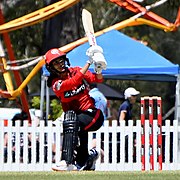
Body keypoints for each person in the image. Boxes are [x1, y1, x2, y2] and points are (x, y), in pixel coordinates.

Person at [44, 45, 107, 171]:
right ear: (51, 67)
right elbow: (72, 82)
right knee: (72, 120)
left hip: (93, 115)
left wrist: (98, 68)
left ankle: (66, 161)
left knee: (71, 119)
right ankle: (88, 159)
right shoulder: (55, 83)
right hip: (77, 119)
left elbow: (98, 80)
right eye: (56, 63)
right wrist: (88, 62)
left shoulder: (76, 70)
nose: (60, 64)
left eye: (61, 60)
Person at [118, 87, 140, 162]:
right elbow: (121, 119)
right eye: (133, 96)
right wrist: (124, 130)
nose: (135, 98)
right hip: (126, 131)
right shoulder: (125, 105)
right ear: (129, 97)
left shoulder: (129, 105)